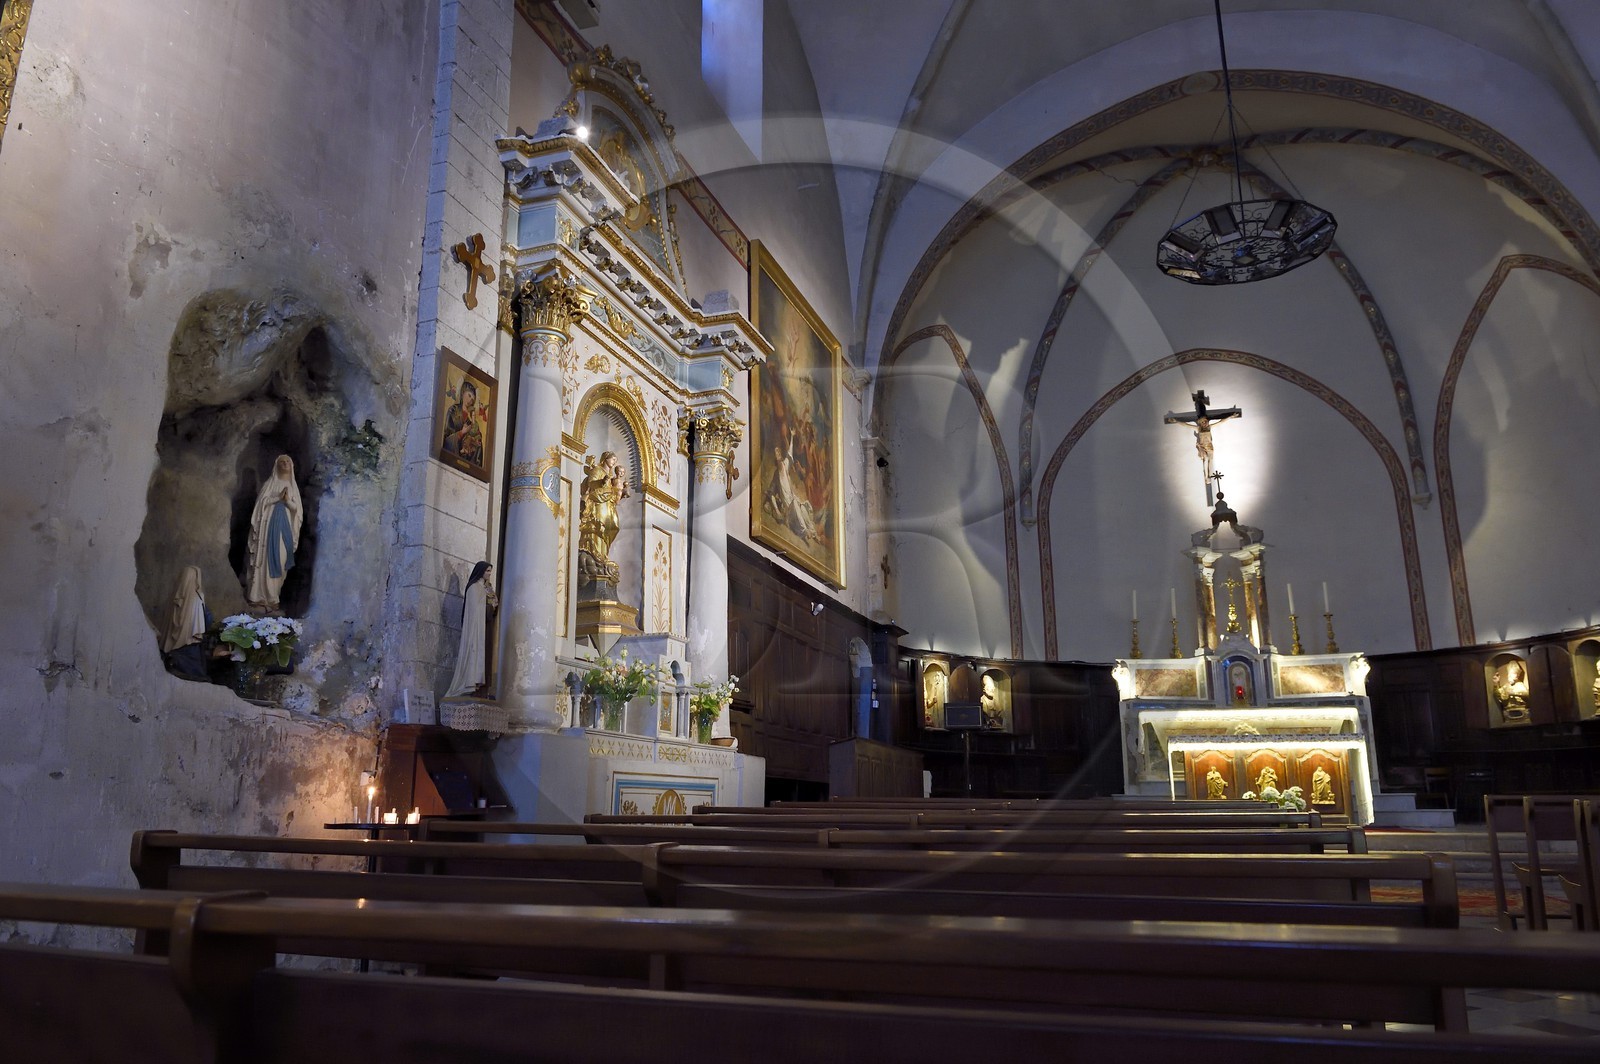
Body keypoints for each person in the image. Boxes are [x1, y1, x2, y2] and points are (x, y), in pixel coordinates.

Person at [245, 454, 303, 610]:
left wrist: (287, 501)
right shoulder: (270, 484)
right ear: (276, 465)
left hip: (284, 530)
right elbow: (261, 504)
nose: (285, 464)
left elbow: (297, 511)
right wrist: (277, 498)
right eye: (282, 462)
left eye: (287, 462)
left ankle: (273, 596)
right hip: (267, 529)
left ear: (292, 466)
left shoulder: (292, 487)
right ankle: (258, 596)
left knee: (281, 560)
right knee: (263, 560)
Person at [444, 562, 499, 698]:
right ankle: (468, 683)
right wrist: (488, 607)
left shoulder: (487, 588)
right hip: (475, 630)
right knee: (473, 654)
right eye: (487, 571)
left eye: (490, 571)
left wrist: (492, 606)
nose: (489, 574)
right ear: (480, 571)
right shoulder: (474, 588)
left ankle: (478, 686)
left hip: (485, 629)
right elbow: (475, 611)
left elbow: (489, 609)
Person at [577, 451, 627, 587]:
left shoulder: (611, 476)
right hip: (598, 504)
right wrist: (602, 481)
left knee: (613, 526)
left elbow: (614, 493)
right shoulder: (597, 470)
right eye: (612, 459)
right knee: (598, 527)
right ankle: (595, 553)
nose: (613, 462)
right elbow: (591, 484)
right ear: (605, 459)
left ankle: (603, 554)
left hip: (608, 504)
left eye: (615, 460)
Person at [161, 565, 213, 681]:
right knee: (197, 675)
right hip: (189, 647)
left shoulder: (174, 598)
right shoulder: (197, 597)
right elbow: (204, 623)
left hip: (174, 647)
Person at [441, 379, 484, 467]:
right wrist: (462, 433)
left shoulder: (471, 421)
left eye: (472, 399)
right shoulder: (453, 410)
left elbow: (477, 443)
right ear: (462, 392)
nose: (470, 400)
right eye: (469, 395)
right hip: (451, 458)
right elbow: (446, 439)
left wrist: (476, 441)